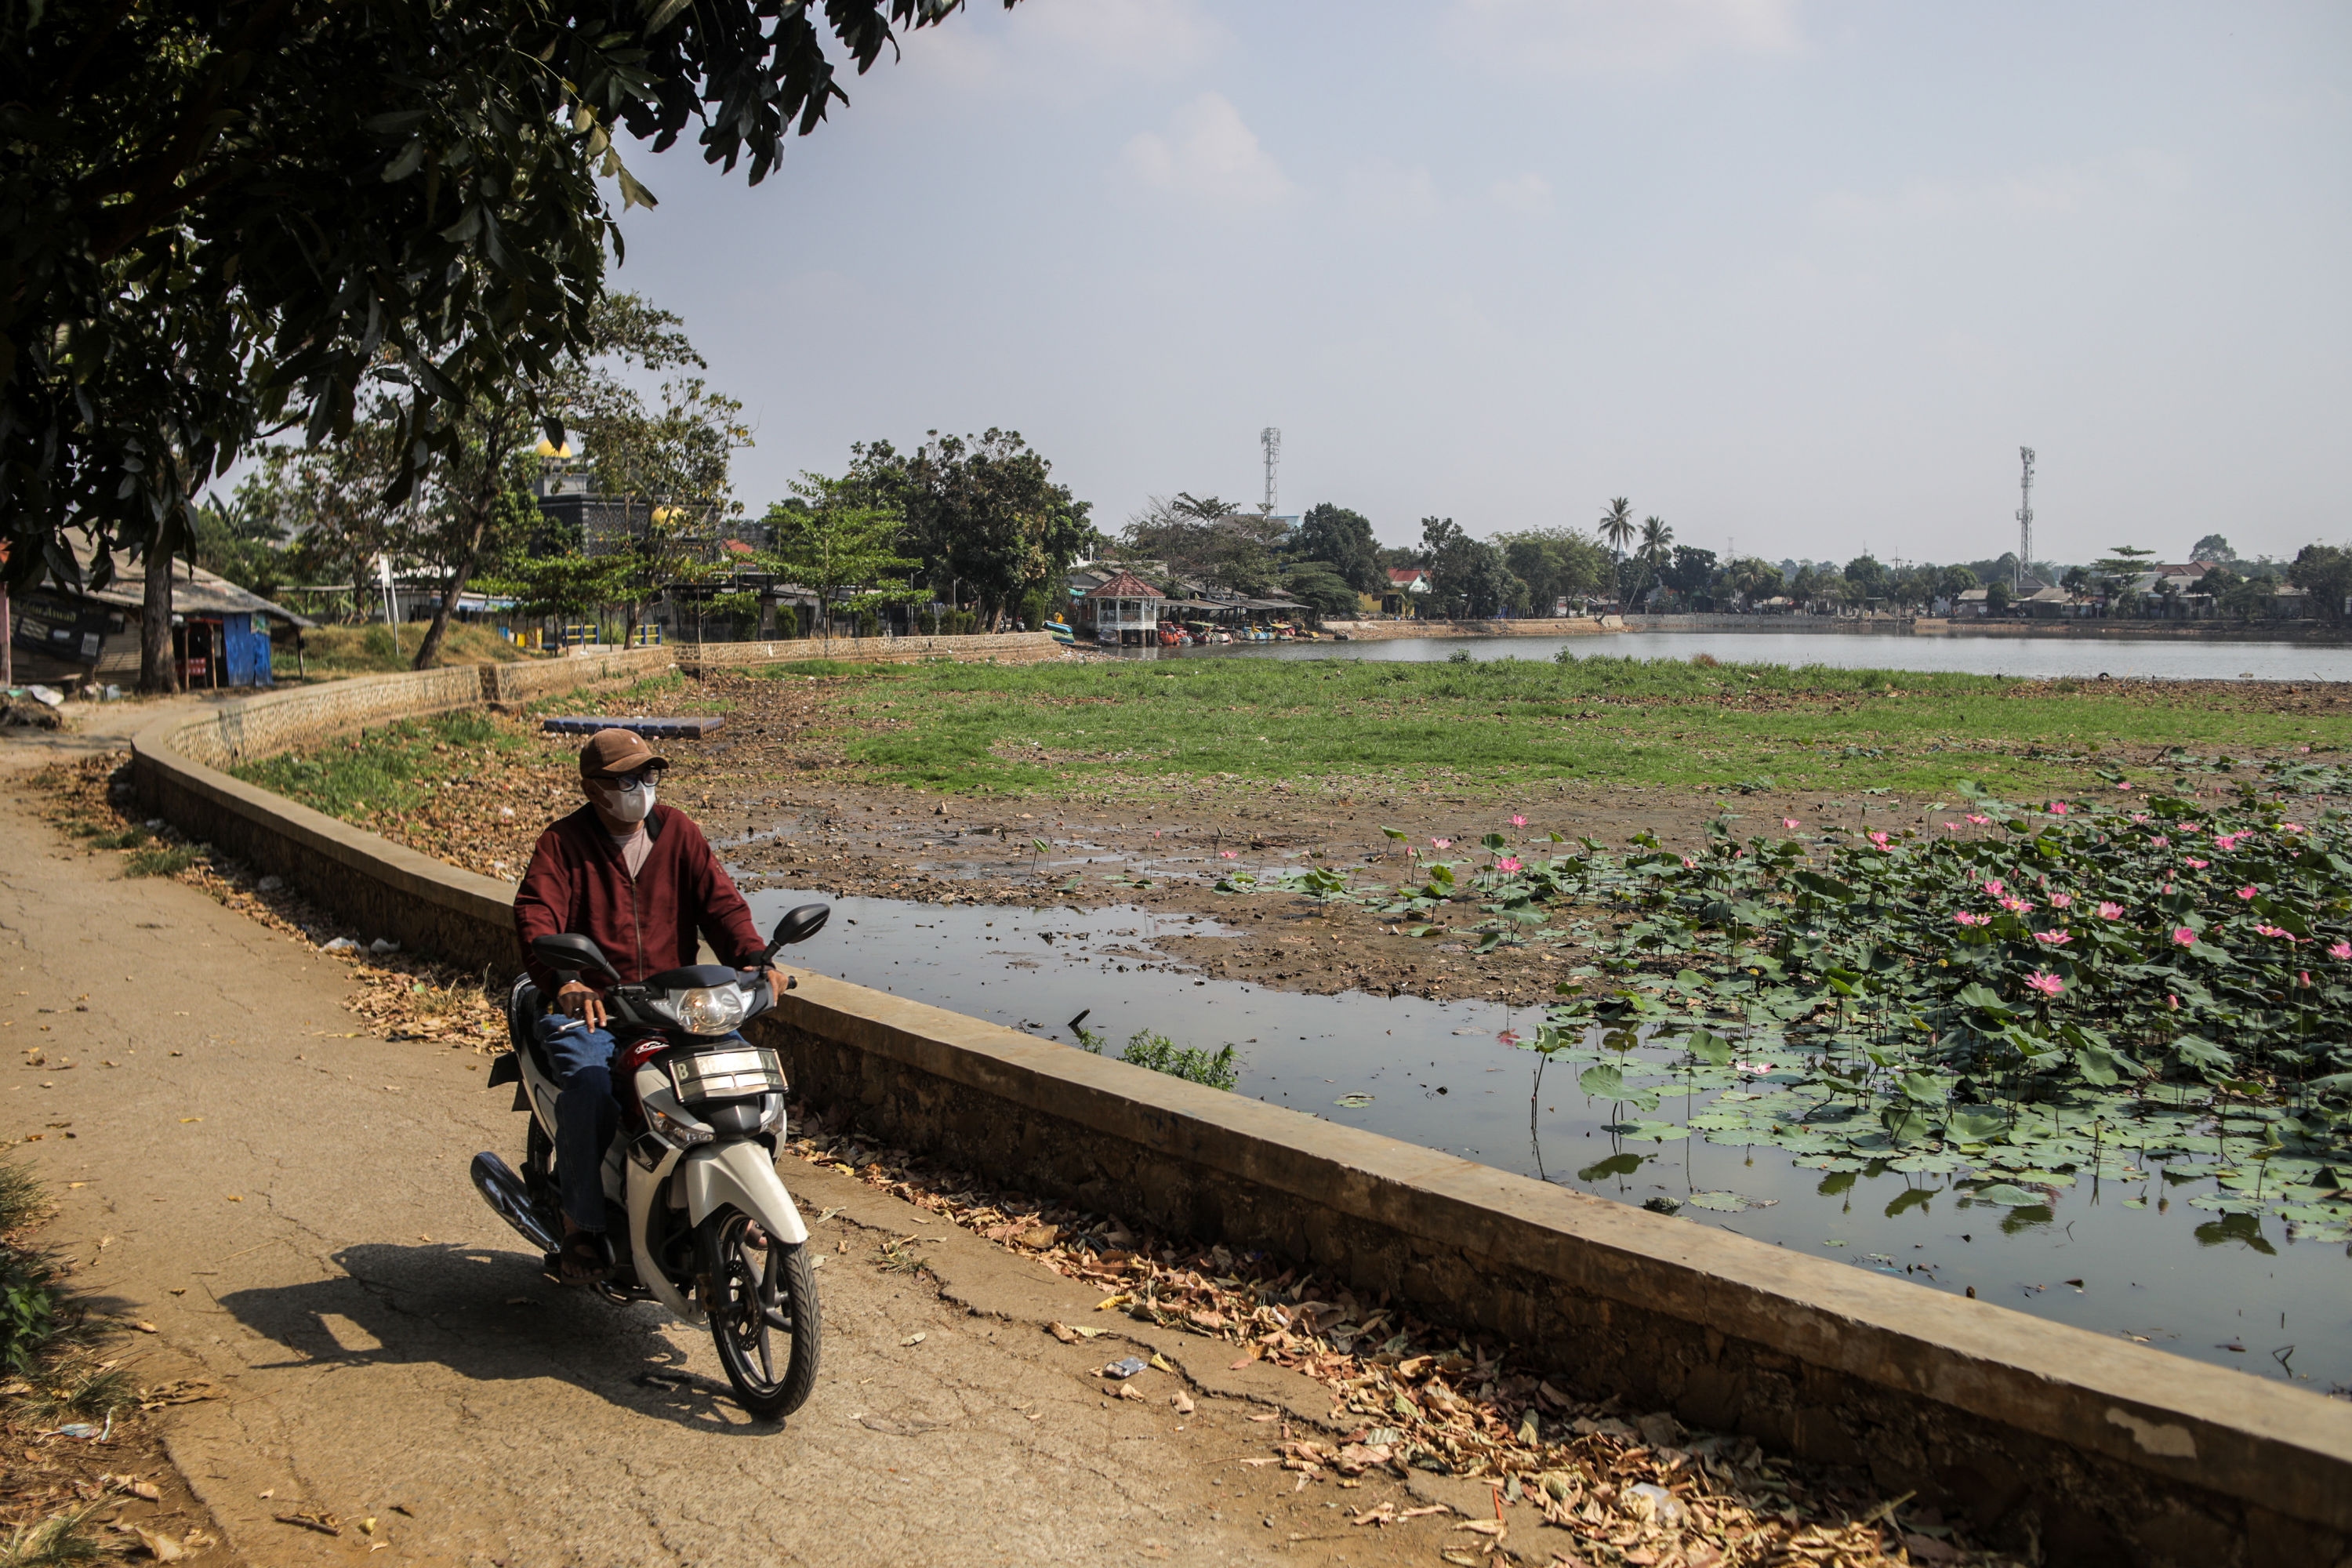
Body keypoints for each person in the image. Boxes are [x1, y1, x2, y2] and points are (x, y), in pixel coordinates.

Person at [513, 728, 792, 1283]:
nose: (641, 787)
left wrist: (757, 961)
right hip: (596, 1010)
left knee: (746, 1078)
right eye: (626, 779)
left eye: (648, 774)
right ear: (593, 788)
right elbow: (535, 916)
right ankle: (581, 1225)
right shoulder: (562, 845)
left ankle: (743, 1193)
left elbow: (724, 907)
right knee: (589, 1088)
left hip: (676, 1005)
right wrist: (567, 981)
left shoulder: (678, 832)